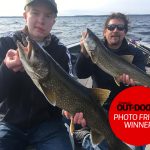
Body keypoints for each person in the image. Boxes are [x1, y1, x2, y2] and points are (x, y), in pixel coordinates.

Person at [0, 0, 74, 149]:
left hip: (49, 124)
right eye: (35, 13)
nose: (41, 20)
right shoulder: (5, 43)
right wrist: (6, 69)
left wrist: (71, 109)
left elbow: (70, 91)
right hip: (9, 122)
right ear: (25, 15)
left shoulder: (61, 51)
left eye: (47, 15)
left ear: (53, 21)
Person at [74, 12, 146, 150]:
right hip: (102, 106)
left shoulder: (135, 53)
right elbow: (81, 74)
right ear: (105, 31)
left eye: (120, 27)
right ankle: (87, 139)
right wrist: (84, 54)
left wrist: (131, 82)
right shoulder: (94, 50)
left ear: (125, 32)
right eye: (111, 27)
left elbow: (141, 80)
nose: (115, 30)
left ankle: (87, 139)